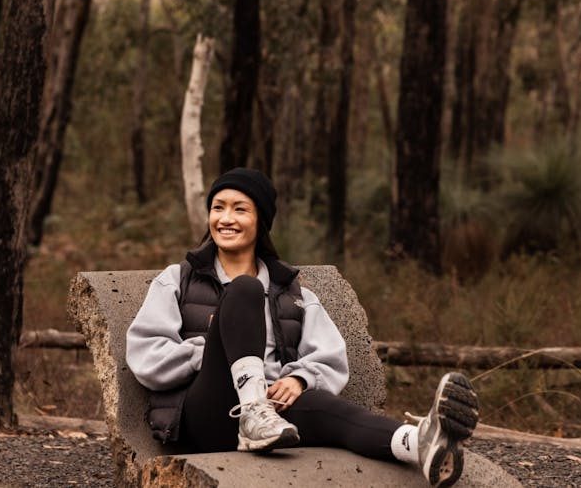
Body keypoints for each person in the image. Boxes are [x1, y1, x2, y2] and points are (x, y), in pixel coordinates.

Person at [126, 168, 480, 487]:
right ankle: (252, 413)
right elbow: (146, 356)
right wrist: (214, 351)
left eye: (240, 209)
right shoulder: (178, 280)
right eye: (218, 207)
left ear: (261, 220)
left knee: (335, 414)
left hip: (273, 417)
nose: (225, 218)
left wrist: (298, 379)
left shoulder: (294, 294)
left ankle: (421, 443)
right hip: (208, 414)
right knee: (245, 291)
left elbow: (330, 360)